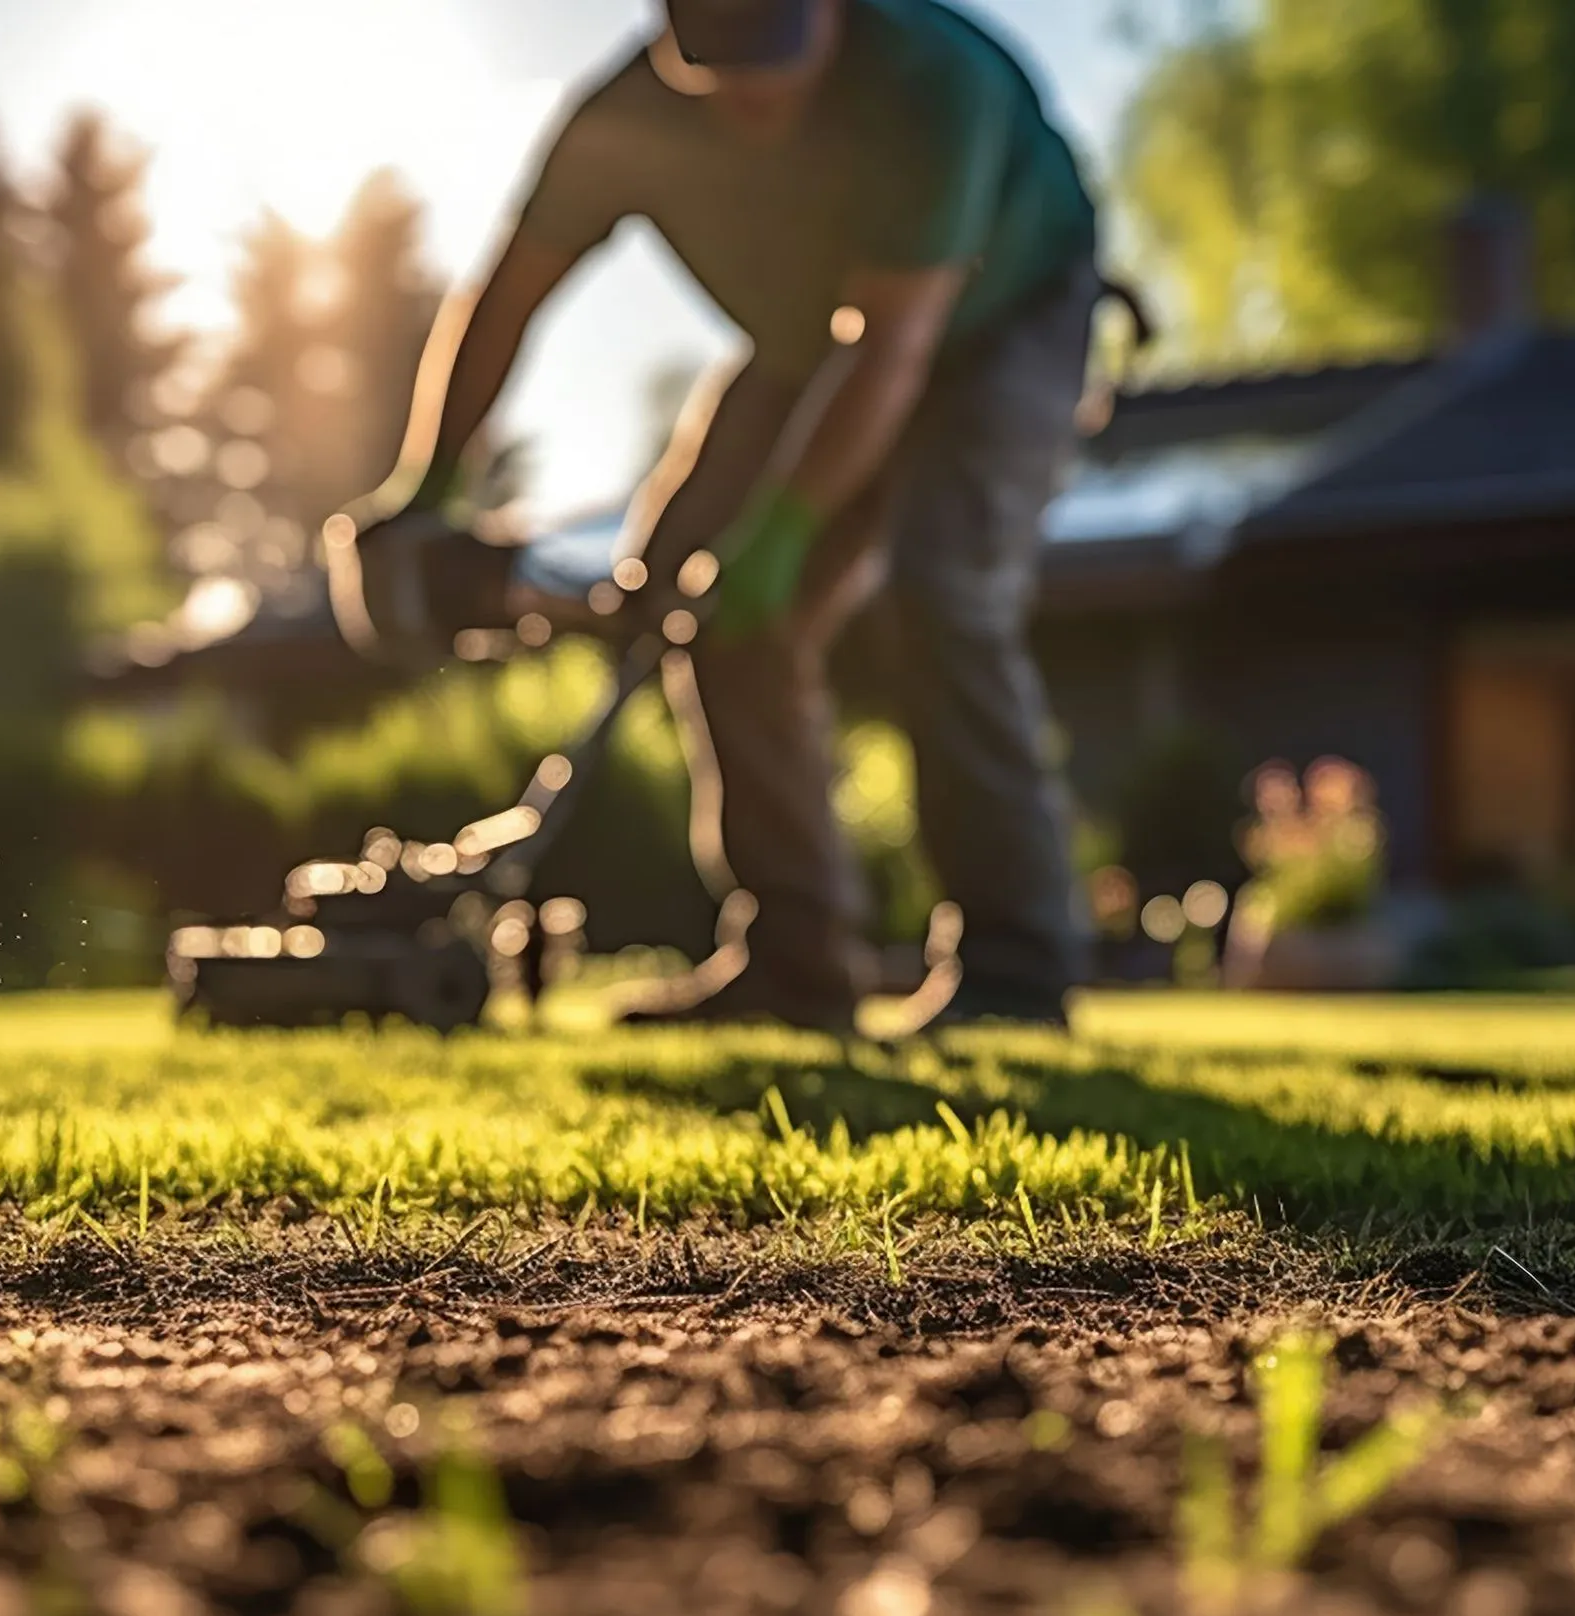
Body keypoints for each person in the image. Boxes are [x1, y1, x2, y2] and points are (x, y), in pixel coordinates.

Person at [350, 0, 1104, 1031]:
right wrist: (429, 481)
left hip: (1001, 326)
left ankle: (1016, 973)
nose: (748, 89)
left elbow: (891, 350)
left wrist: (783, 532)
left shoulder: (931, 80)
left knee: (941, 589)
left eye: (772, 55)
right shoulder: (623, 116)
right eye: (715, 60)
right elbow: (510, 293)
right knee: (688, 591)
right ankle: (796, 967)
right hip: (812, 342)